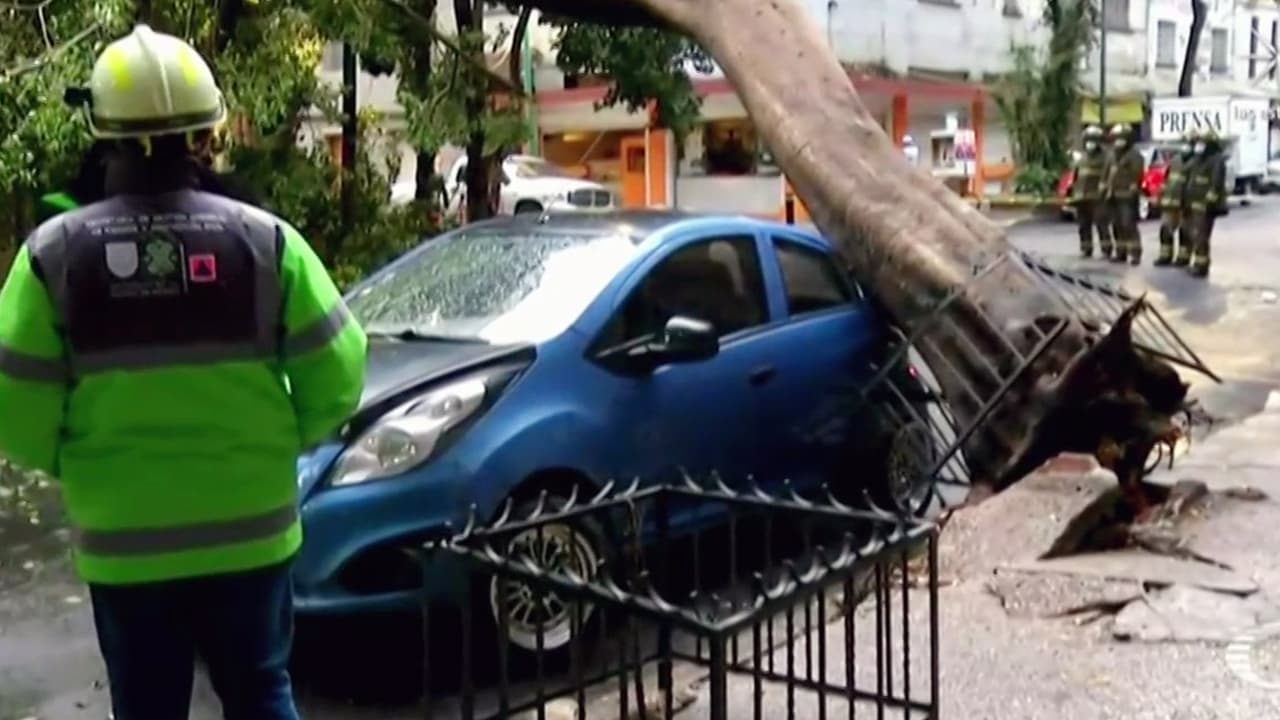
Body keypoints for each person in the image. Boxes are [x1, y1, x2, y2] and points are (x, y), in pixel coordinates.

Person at [0, 24, 368, 720]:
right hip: (252, 529)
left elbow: (12, 407)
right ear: (205, 134)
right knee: (261, 691)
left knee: (147, 707)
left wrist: (78, 460)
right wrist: (282, 441)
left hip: (125, 544)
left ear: (102, 132)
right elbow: (340, 372)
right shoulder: (267, 242)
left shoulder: (51, 256)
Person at [1182, 129, 1229, 278]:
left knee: (1201, 236)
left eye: (1202, 142)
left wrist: (1209, 203)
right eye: (1198, 143)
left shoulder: (1217, 159)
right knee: (1194, 235)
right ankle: (1197, 263)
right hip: (1194, 203)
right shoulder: (1198, 159)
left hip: (1205, 206)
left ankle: (1202, 266)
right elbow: (1187, 172)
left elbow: (1216, 183)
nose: (1199, 146)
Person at [1154, 131, 1198, 267]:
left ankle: (1183, 258)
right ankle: (1165, 255)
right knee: (1165, 229)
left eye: (1189, 143)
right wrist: (1160, 196)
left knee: (1185, 231)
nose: (1186, 146)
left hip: (1188, 203)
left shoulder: (1198, 162)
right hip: (1170, 202)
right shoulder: (1175, 160)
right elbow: (1166, 180)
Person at [1105, 123, 1145, 265]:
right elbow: (1107, 173)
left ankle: (1135, 254)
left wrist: (1133, 189)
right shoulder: (1112, 155)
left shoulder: (1135, 156)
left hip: (1127, 196)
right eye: (1116, 138)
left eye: (1121, 138)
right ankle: (1120, 252)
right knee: (1116, 225)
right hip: (1113, 194)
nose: (1118, 141)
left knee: (1128, 224)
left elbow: (1137, 175)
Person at [1071, 125, 1112, 259]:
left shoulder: (1106, 158)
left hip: (1098, 197)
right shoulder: (1082, 158)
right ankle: (1086, 248)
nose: (1090, 144)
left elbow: (1109, 176)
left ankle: (1106, 249)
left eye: (1093, 140)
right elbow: (1076, 177)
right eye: (1088, 140)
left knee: (1101, 224)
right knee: (1083, 225)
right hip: (1081, 196)